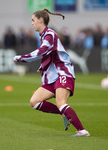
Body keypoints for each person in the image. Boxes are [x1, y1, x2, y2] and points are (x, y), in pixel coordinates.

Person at [13, 8, 90, 137]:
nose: (31, 23)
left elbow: (41, 51)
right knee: (34, 102)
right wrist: (43, 66)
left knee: (60, 103)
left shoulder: (50, 34)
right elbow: (50, 54)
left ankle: (82, 131)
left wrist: (21, 58)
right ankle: (64, 113)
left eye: (33, 20)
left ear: (40, 20)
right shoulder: (43, 36)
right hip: (53, 77)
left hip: (63, 73)